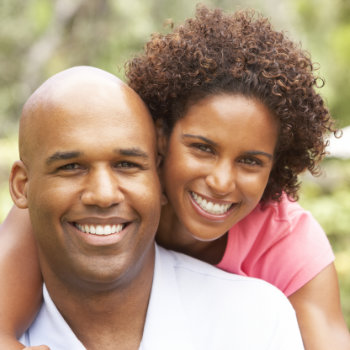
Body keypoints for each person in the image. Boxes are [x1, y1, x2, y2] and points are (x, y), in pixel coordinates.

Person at [0, 5, 349, 350]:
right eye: (203, 148)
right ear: (160, 138)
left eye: (250, 161)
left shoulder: (285, 243)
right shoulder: (95, 195)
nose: (221, 182)